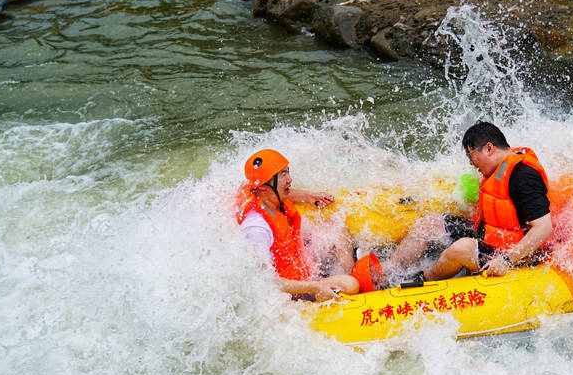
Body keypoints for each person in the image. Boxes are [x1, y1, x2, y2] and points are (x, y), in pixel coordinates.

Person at [387, 121, 553, 282]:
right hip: (492, 236)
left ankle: (422, 281)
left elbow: (544, 228)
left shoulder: (523, 176)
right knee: (432, 222)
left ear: (489, 148)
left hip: (514, 252)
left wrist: (506, 261)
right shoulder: (498, 168)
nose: (470, 162)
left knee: (461, 248)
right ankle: (388, 271)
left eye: (471, 155)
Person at [235, 149, 378, 302]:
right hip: (291, 291)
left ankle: (351, 271)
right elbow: (264, 281)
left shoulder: (267, 194)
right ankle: (349, 282)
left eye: (287, 172)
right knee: (351, 285)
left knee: (335, 224)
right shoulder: (256, 228)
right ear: (263, 187)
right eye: (283, 175)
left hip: (297, 262)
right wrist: (313, 287)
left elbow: (284, 192)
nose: (289, 179)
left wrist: (309, 196)